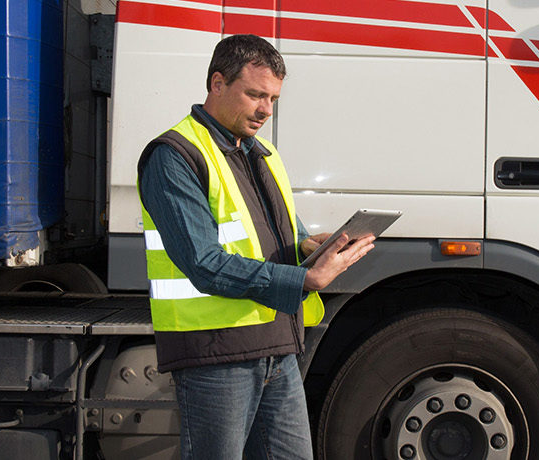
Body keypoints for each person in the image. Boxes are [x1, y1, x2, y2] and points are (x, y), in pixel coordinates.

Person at [135, 34, 375, 458]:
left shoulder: (260, 153)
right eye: (255, 95)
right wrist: (305, 278)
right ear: (217, 84)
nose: (266, 110)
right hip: (214, 352)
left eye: (273, 99)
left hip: (275, 347)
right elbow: (204, 264)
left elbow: (276, 237)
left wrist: (309, 247)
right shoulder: (174, 155)